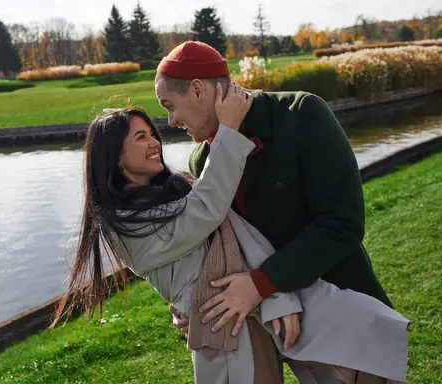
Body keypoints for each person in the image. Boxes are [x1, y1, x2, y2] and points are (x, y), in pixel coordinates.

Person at [50, 98, 409, 383]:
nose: (155, 141)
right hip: (225, 330)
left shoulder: (178, 192)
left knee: (365, 342)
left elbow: (239, 235)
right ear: (114, 156)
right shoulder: (122, 226)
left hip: (263, 308)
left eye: (152, 133)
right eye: (140, 137)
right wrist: (230, 132)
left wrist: (277, 296)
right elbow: (204, 212)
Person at [154, 41, 393, 341]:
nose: (171, 121)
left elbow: (342, 224)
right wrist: (192, 302)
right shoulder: (202, 159)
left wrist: (260, 284)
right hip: (273, 326)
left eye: (169, 106)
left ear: (199, 90)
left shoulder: (303, 114)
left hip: (347, 310)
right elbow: (221, 246)